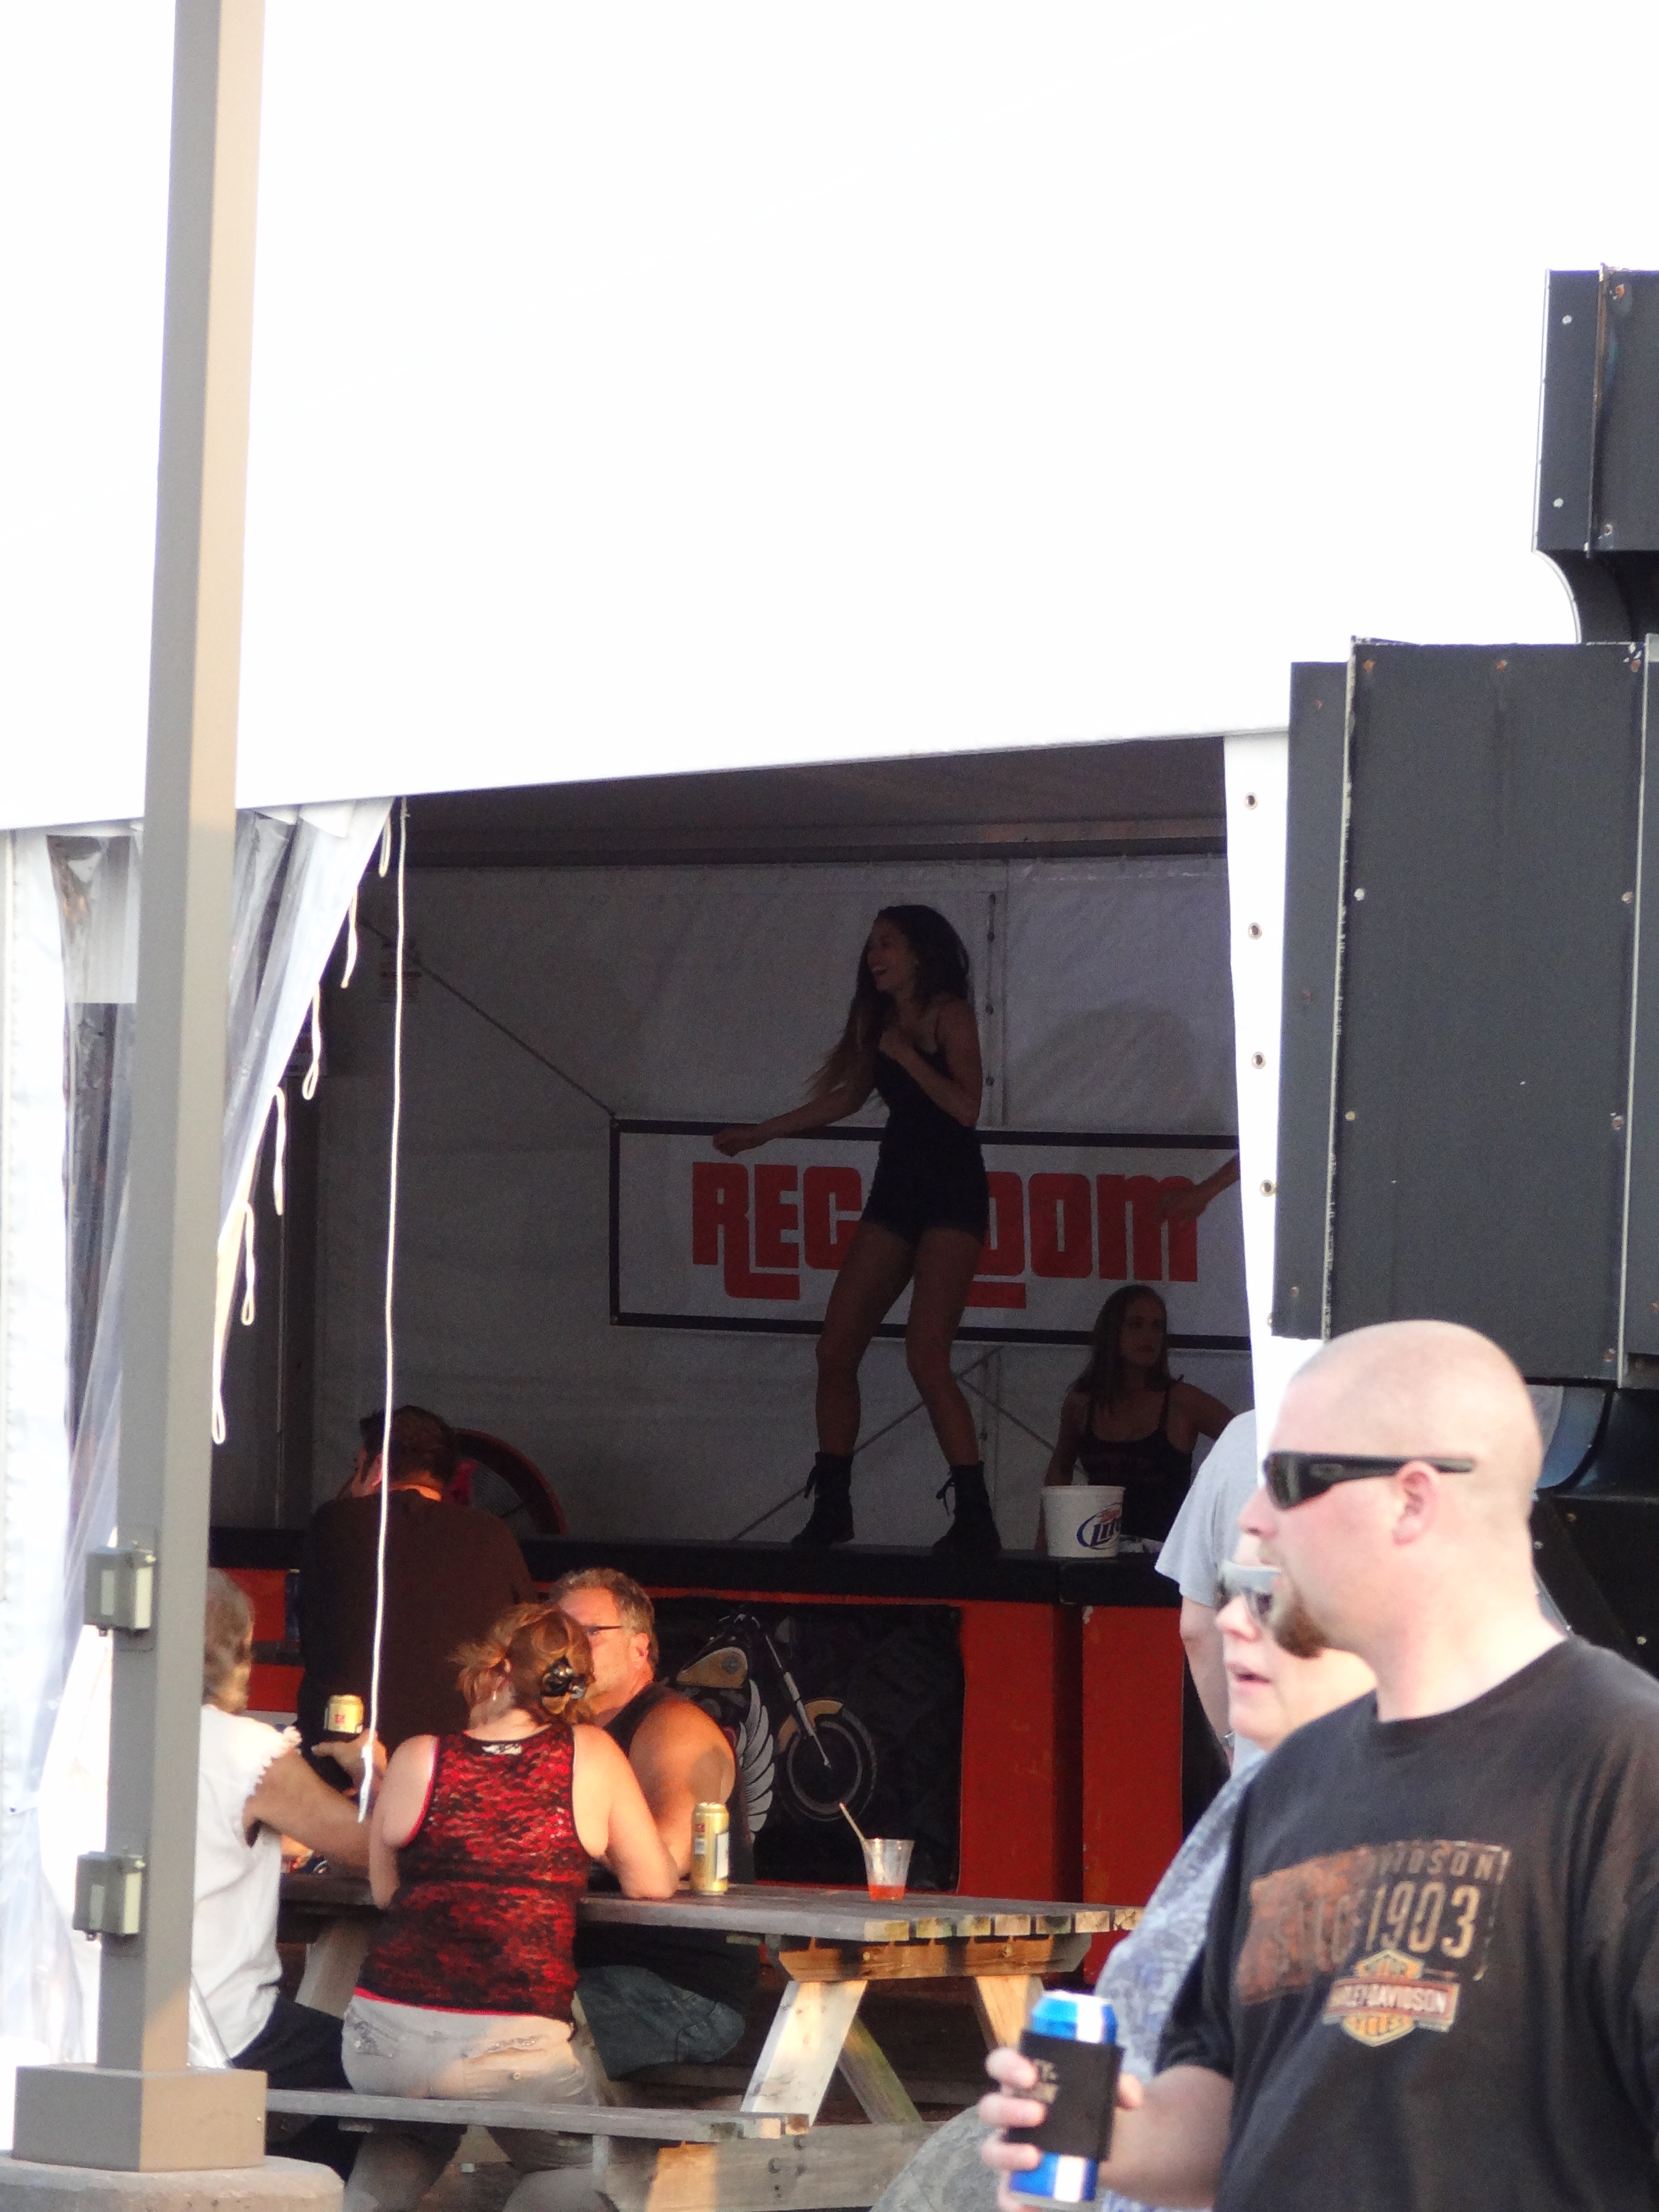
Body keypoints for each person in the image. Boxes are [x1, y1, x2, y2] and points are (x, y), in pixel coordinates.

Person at [983, 1319, 1659, 2212]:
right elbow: (1227, 2110)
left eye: (1293, 1479)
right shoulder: (1292, 1779)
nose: (1254, 1518)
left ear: (1411, 1500)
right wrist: (1087, 2132)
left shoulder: (1624, 1765)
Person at [873, 1538, 1374, 2212]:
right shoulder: (1272, 1803)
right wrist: (1090, 2135)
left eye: (1268, 1589)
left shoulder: (1459, 1818)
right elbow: (1228, 2118)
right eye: (1227, 1589)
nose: (1224, 1619)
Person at [341, 1601, 678, 2212]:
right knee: (584, 2170)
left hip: (382, 2041)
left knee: (412, 2129)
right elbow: (653, 1881)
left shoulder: (419, 1755)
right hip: (511, 2044)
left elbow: (390, 1893)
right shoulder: (591, 1753)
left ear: (497, 1671)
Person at [715, 904, 997, 1554]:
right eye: (871, 945)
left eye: (886, 944)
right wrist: (764, 1133)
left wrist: (908, 1056)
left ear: (919, 953)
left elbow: (966, 1107)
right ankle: (834, 1504)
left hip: (951, 1191)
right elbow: (846, 1096)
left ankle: (975, 1514)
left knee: (927, 1356)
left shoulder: (949, 1014)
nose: (873, 956)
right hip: (896, 1188)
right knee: (835, 1349)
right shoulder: (879, 1020)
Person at [196, 1569, 383, 2174]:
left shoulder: (75, 1735)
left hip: (89, 2019)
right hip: (218, 2023)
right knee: (387, 2076)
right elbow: (371, 1847)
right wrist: (373, 1774)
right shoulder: (243, 1749)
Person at [549, 1567, 758, 2076]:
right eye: (556, 1634)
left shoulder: (672, 1727)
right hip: (576, 1969)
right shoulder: (556, 1731)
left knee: (498, 2037)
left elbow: (667, 1858)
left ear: (639, 1648)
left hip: (674, 1987)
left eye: (589, 1633)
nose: (569, 1649)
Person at [297, 1404, 537, 1755]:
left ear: (377, 1467)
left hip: (347, 1748)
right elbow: (529, 1632)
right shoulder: (492, 1535)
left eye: (356, 1467)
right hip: (458, 1756)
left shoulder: (335, 1523)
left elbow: (312, 1633)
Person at [1042, 1285, 1232, 1546]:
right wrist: (1044, 1546)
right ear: (1113, 1332)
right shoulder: (1082, 1403)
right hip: (1099, 1554)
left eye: (1158, 1327)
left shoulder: (1182, 1401)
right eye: (1136, 1324)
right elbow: (1059, 1471)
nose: (1149, 1336)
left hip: (1165, 1558)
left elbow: (1249, 1440)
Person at [1155, 1409, 1262, 1769]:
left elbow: (1198, 1630)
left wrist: (1234, 1744)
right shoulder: (1415, 1426)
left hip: (1262, 1767)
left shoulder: (1242, 1435)